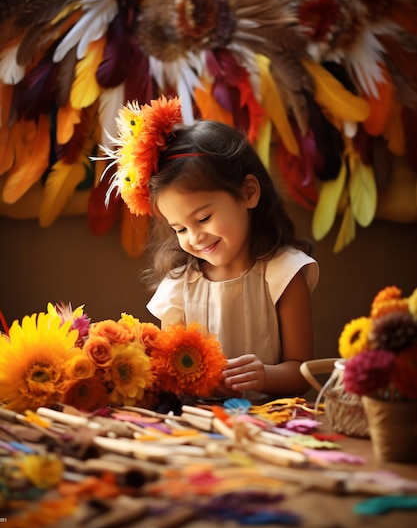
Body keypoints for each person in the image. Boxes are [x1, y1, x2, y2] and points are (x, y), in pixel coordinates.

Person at [104, 95, 319, 401]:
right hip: (198, 424)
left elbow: (302, 373)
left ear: (248, 193)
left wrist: (265, 376)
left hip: (271, 424)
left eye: (204, 218)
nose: (194, 237)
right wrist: (193, 382)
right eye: (180, 229)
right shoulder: (179, 286)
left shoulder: (284, 273)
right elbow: (169, 372)